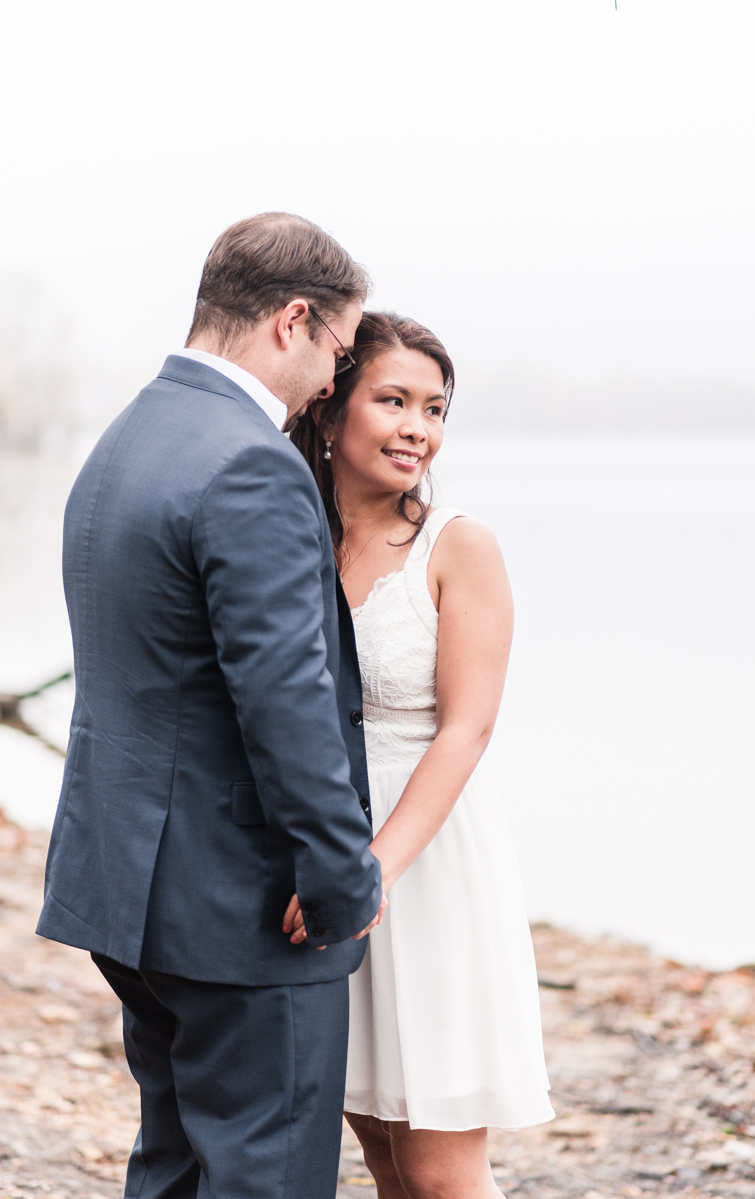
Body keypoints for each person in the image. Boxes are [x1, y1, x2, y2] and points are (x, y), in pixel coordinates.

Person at [36, 213, 385, 1199]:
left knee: (179, 1162)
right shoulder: (251, 462)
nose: (333, 380)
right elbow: (285, 694)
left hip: (127, 886)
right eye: (338, 350)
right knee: (263, 1173)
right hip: (235, 904)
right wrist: (336, 877)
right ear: (293, 320)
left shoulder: (128, 437)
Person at [289, 312, 554, 1199]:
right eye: (393, 400)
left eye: (434, 408)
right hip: (325, 853)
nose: (418, 428)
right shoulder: (288, 541)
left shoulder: (459, 545)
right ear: (330, 410)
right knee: (380, 1150)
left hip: (428, 865)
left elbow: (467, 730)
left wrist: (371, 871)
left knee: (443, 1169)